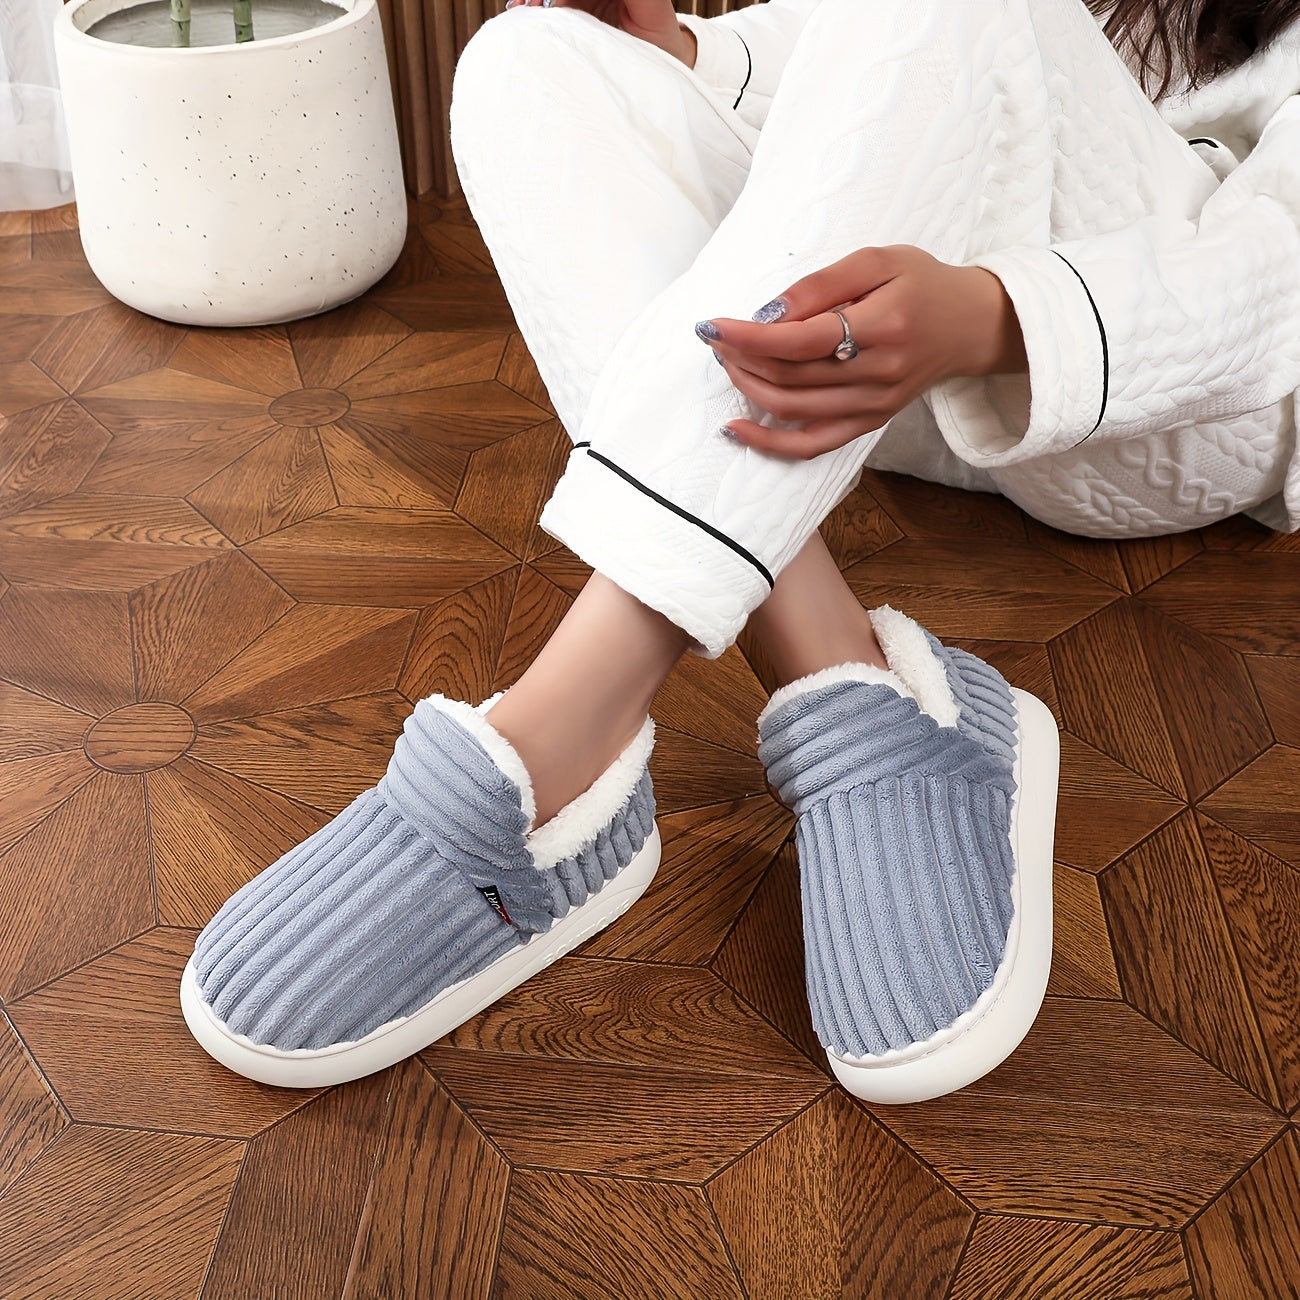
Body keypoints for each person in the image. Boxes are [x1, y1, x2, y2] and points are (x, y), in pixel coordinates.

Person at [179, 0, 1300, 1102]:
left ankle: (557, 742)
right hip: (893, 370)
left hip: (1171, 404)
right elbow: (868, 47)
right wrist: (686, 54)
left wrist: (987, 314)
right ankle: (836, 662)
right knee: (529, 63)